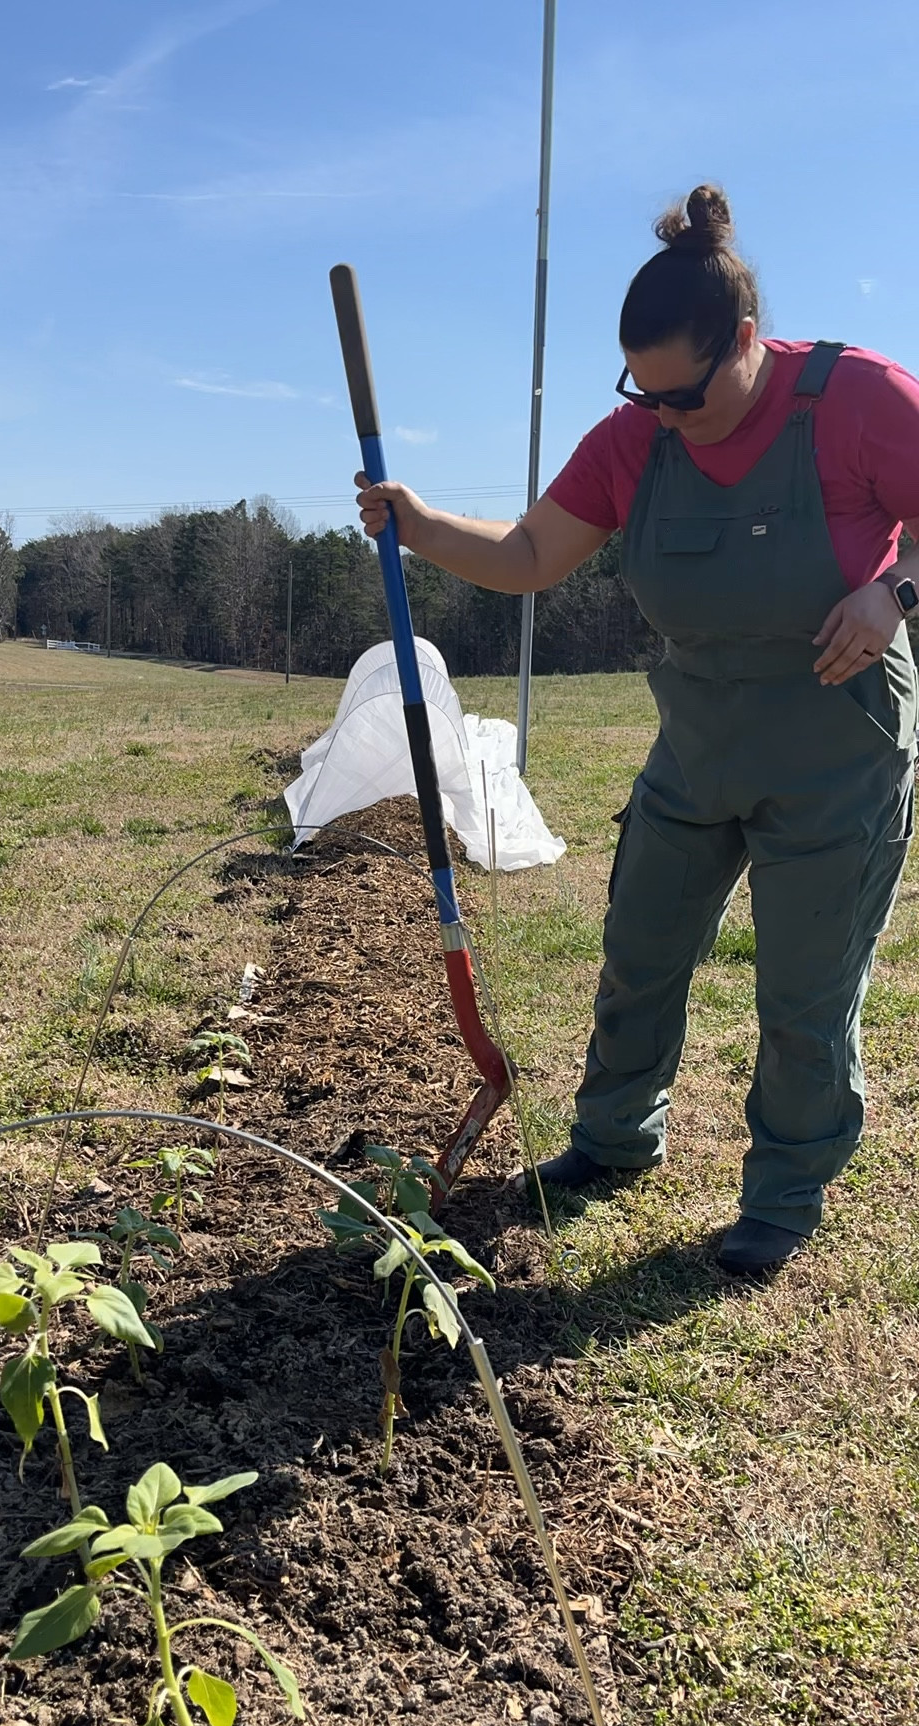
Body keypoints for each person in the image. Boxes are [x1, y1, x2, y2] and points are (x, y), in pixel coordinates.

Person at [355, 185, 919, 1278]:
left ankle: (785, 1192)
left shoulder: (856, 398)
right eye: (642, 391)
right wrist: (419, 525)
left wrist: (896, 591)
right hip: (696, 740)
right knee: (640, 954)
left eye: (685, 393)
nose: (663, 413)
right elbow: (527, 557)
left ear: (746, 344)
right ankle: (612, 1143)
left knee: (806, 993)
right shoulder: (634, 437)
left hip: (835, 747)